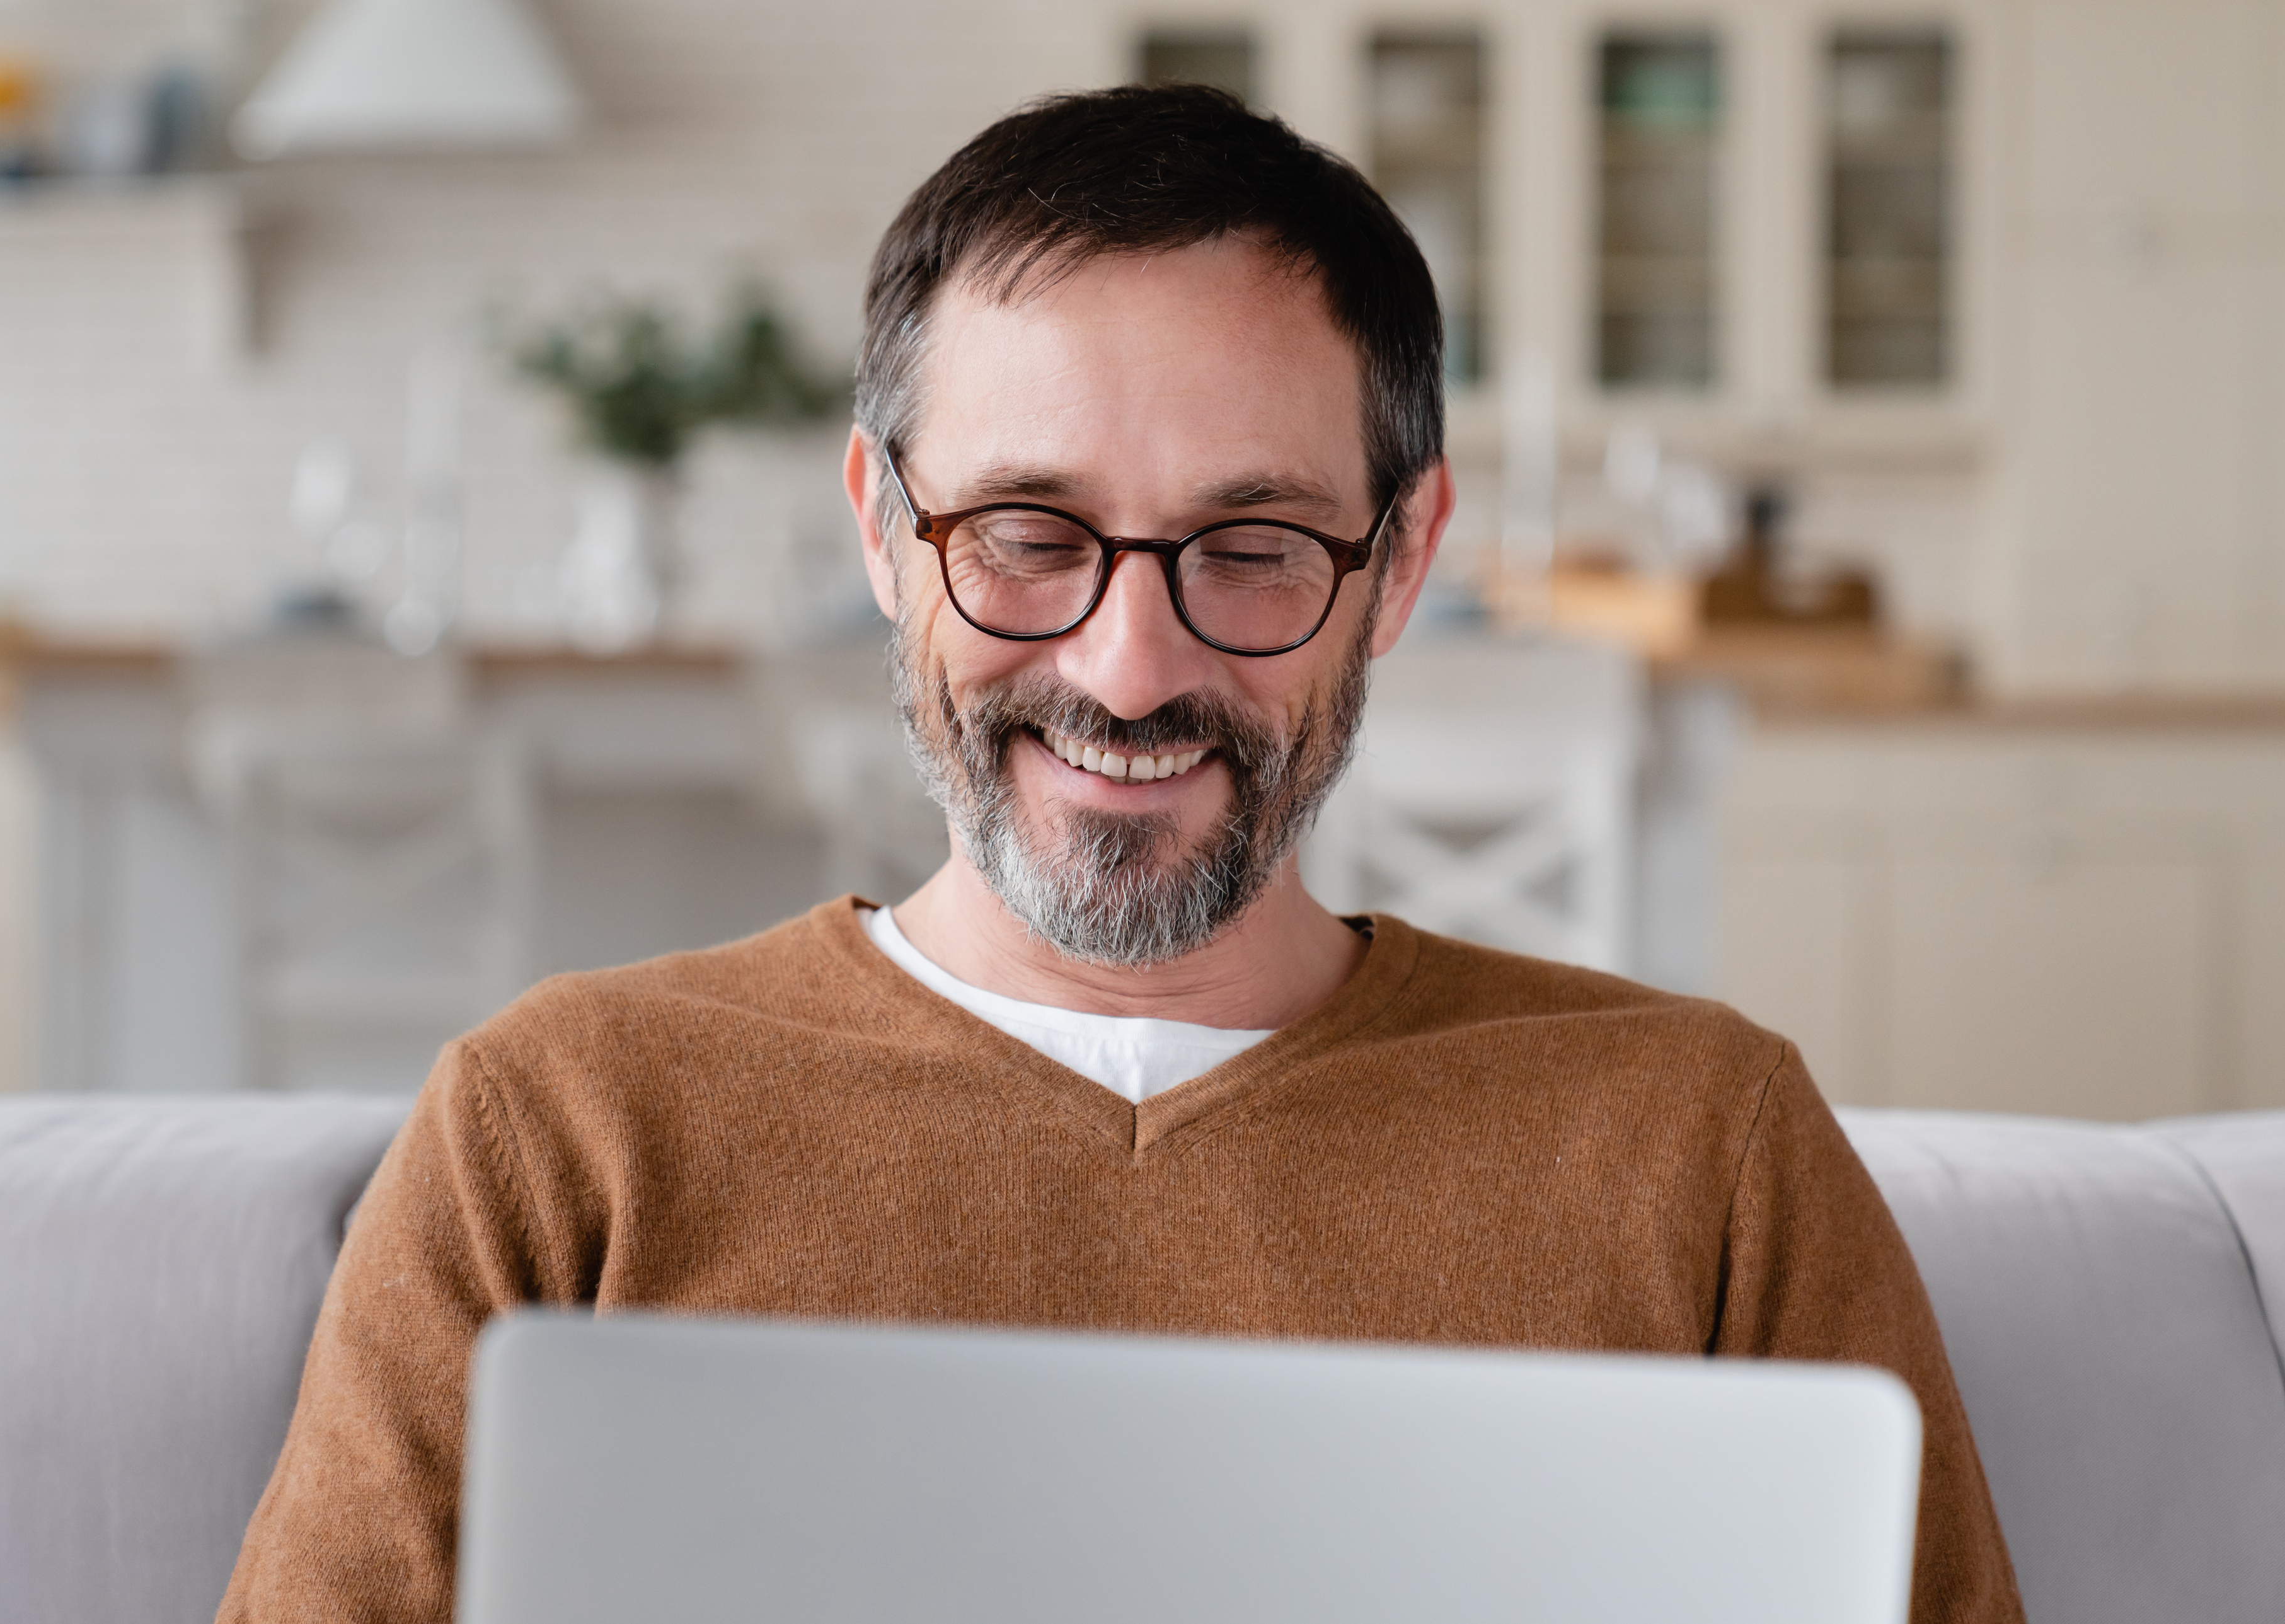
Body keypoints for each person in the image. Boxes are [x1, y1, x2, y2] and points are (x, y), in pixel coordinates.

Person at [218, 84, 2023, 1623]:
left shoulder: (1709, 1146)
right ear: (881, 528)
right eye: (1025, 532)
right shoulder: (558, 1130)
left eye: (1251, 547)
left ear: (1400, 565)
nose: (1127, 665)